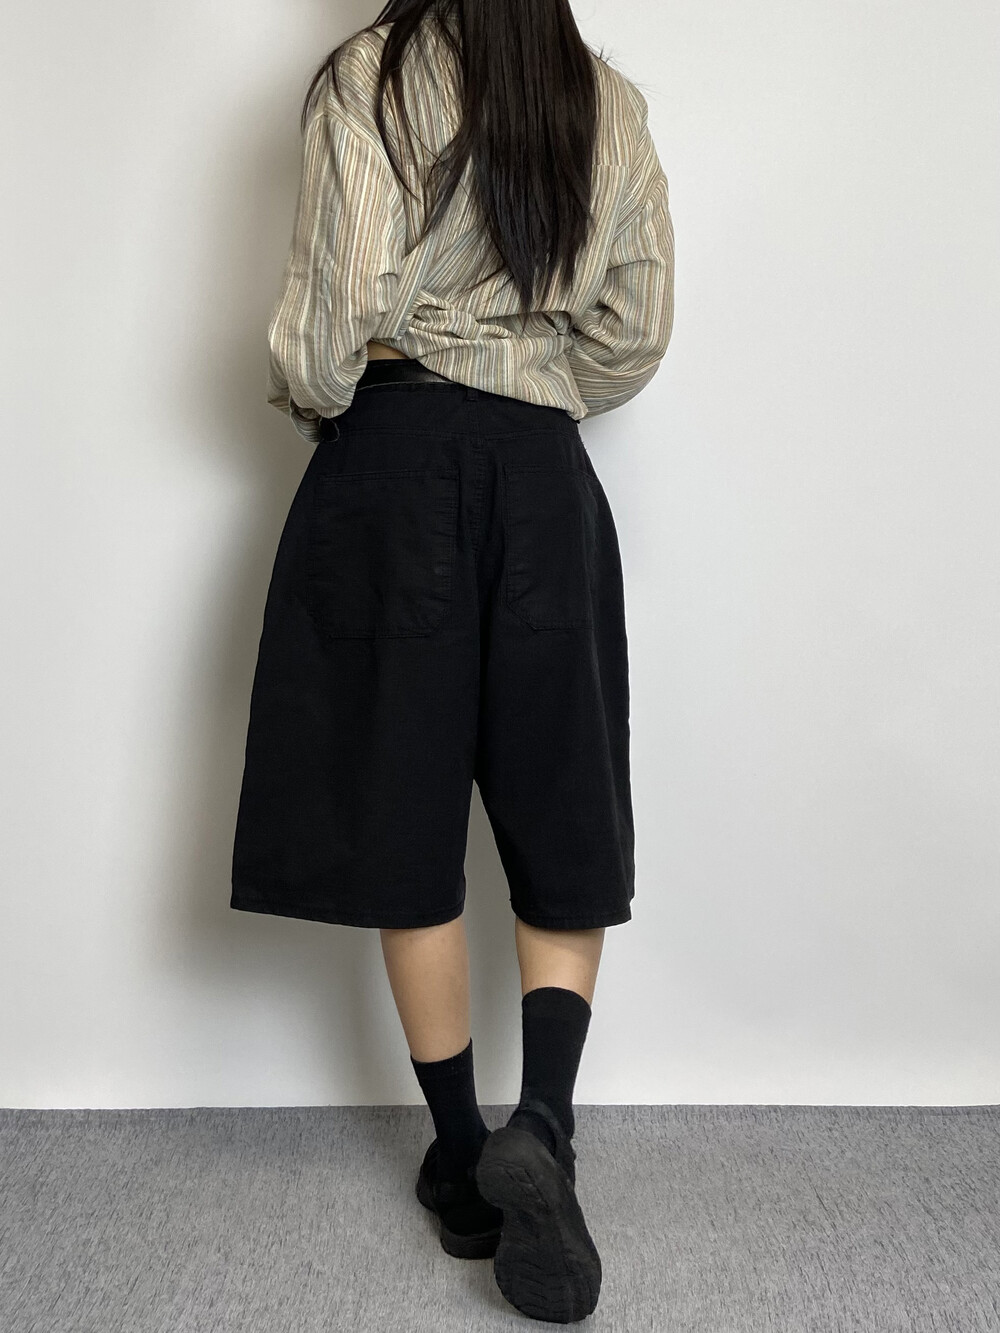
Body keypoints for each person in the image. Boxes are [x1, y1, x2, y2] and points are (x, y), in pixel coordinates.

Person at [230, 0, 674, 1322]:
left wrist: (328, 388)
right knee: (561, 797)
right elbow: (636, 328)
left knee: (404, 803)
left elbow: (328, 322)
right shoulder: (603, 98)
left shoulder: (371, 77)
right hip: (542, 474)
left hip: (395, 467)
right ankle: (547, 1118)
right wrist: (528, 371)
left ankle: (464, 1157)